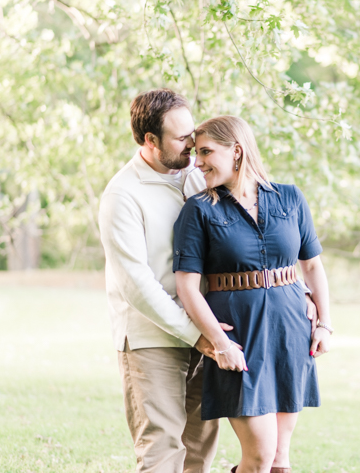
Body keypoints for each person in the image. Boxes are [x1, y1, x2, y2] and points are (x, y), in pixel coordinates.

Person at [173, 115, 334, 473]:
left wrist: (324, 324)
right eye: (196, 153)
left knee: (279, 458)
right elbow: (187, 286)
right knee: (259, 456)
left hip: (290, 334)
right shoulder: (198, 210)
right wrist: (220, 343)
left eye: (205, 152)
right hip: (239, 339)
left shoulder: (290, 198)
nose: (197, 162)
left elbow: (312, 266)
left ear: (237, 151)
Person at [98, 89, 220, 473]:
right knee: (162, 452)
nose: (193, 144)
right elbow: (137, 284)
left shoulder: (200, 176)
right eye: (181, 138)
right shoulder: (122, 195)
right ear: (150, 140)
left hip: (208, 332)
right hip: (153, 339)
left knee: (199, 452)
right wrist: (196, 334)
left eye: (192, 133)